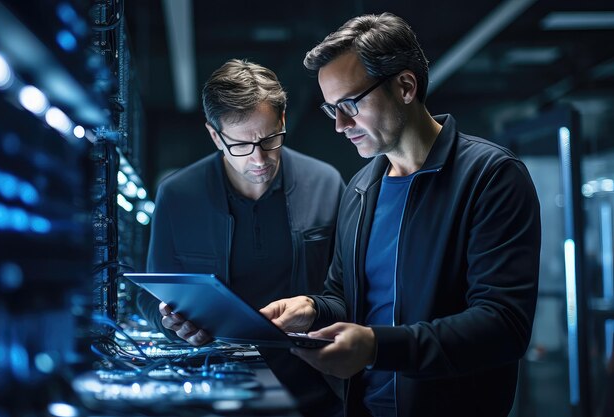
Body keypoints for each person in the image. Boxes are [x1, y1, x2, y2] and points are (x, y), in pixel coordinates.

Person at [260, 12, 541, 417]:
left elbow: (502, 326)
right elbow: (346, 296)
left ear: (405, 86)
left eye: (350, 104)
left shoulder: (491, 177)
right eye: (331, 109)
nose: (340, 125)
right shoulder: (360, 188)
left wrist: (376, 347)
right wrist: (313, 308)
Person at [137, 59, 345, 416]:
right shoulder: (176, 194)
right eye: (240, 146)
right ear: (215, 136)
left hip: (316, 386)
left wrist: (316, 308)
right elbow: (149, 297)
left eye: (269, 139)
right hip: (214, 384)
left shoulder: (326, 183)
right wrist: (168, 322)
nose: (259, 159)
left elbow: (347, 291)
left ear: (282, 121)